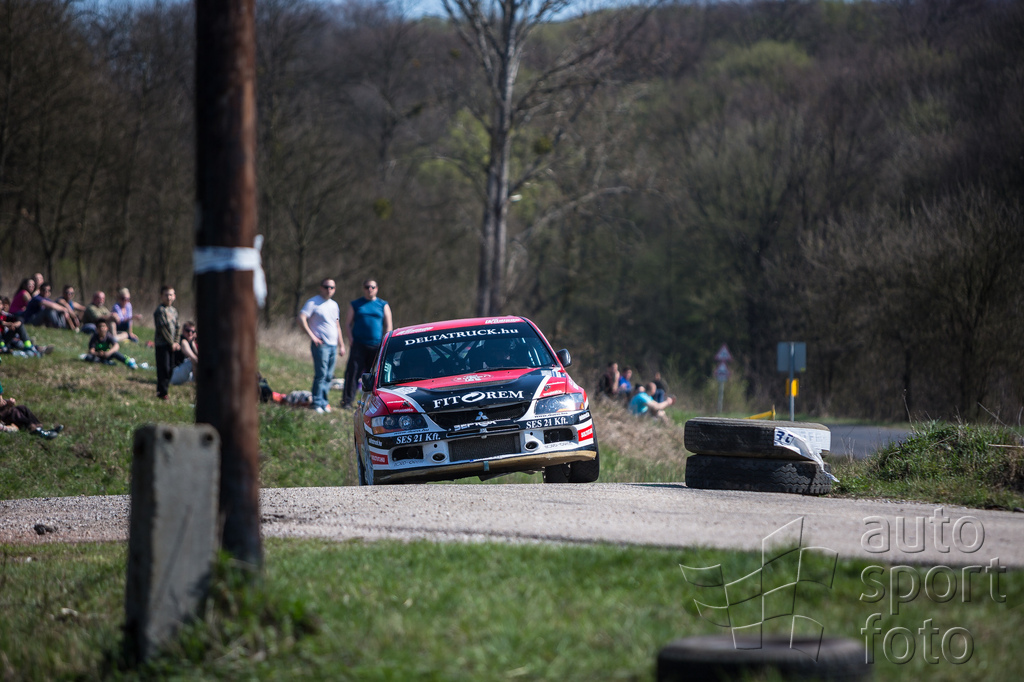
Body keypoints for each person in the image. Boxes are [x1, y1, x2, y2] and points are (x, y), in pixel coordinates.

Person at [341, 279, 392, 409]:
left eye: (372, 287)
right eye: (367, 287)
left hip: (376, 346)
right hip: (358, 345)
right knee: (353, 373)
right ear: (363, 288)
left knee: (374, 377)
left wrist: (385, 344)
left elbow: (388, 326)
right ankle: (347, 401)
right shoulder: (356, 304)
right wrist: (351, 339)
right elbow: (347, 324)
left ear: (377, 288)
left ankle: (371, 404)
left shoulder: (383, 305)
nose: (370, 289)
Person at [298, 278, 345, 414]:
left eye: (332, 287)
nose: (329, 289)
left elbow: (337, 325)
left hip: (333, 345)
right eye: (326, 287)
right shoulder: (313, 302)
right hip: (321, 345)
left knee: (329, 376)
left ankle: (324, 402)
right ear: (321, 288)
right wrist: (312, 336)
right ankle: (316, 403)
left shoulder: (334, 305)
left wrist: (341, 344)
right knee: (321, 374)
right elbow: (301, 318)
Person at [153, 285, 180, 400]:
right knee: (163, 368)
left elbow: (178, 327)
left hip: (172, 345)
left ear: (174, 296)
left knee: (170, 369)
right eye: (166, 295)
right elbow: (163, 329)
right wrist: (171, 343)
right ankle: (162, 392)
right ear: (161, 296)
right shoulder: (160, 311)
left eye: (171, 295)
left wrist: (176, 342)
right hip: (162, 345)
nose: (169, 297)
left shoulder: (174, 311)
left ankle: (165, 389)